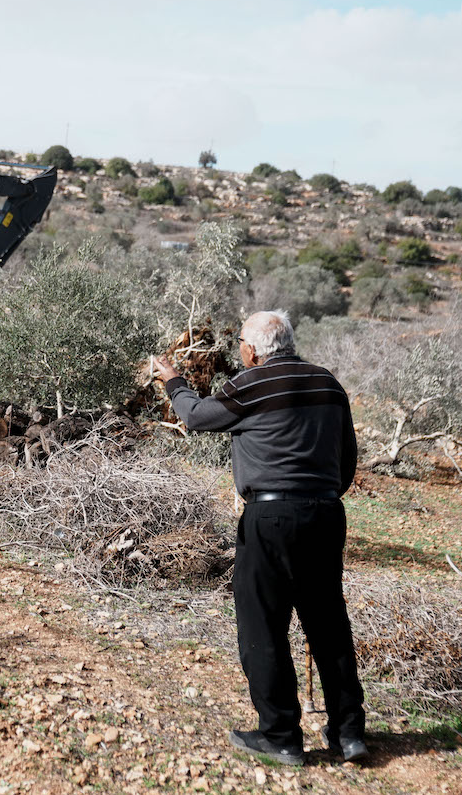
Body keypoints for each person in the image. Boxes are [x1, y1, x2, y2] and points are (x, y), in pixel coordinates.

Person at [152, 310, 366, 766]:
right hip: (327, 513)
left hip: (269, 517)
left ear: (251, 350)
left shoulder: (251, 383)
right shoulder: (328, 383)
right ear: (288, 342)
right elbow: (347, 459)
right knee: (328, 623)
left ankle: (281, 736)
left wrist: (173, 380)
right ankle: (348, 734)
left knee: (263, 625)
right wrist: (319, 494)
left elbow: (194, 416)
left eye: (241, 347)